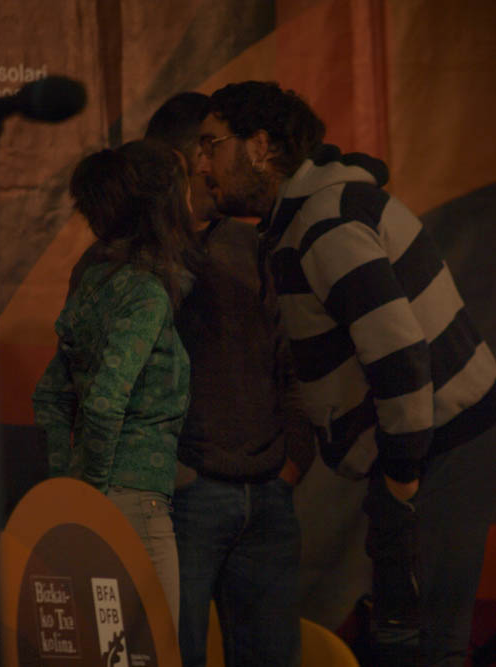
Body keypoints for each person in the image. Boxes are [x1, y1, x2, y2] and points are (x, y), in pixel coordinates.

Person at [198, 80, 496, 666]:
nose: (203, 164)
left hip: (440, 444)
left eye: (212, 145)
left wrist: (400, 481)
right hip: (434, 443)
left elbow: (400, 356)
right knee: (415, 635)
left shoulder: (324, 223)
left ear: (259, 146)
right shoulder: (311, 213)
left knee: (424, 643)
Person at [144, 92, 316, 667]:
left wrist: (290, 463)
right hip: (182, 501)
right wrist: (178, 476)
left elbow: (293, 361)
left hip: (268, 497)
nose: (209, 163)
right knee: (173, 655)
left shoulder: (255, 246)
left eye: (212, 148)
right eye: (204, 149)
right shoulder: (131, 260)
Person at [32, 140, 200, 631]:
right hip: (134, 503)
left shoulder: (94, 283)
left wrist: (68, 484)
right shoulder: (145, 292)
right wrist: (91, 497)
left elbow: (50, 396)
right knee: (154, 649)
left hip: (100, 494)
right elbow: (104, 401)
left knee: (109, 651)